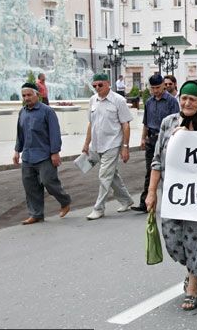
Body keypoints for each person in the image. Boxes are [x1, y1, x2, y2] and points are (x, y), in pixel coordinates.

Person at [145, 80, 197, 311]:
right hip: (172, 195)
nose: (187, 102)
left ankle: (193, 285)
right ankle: (190, 268)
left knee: (196, 238)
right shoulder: (168, 123)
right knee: (173, 240)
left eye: (193, 99)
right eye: (184, 98)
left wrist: (189, 137)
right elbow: (157, 160)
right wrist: (151, 193)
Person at [13, 83, 71, 224]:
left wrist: (55, 153)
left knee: (49, 182)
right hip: (27, 156)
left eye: (29, 95)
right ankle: (36, 214)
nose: (26, 98)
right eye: (24, 95)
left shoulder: (47, 112)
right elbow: (20, 134)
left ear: (37, 95)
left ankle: (65, 201)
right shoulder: (22, 112)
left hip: (45, 155)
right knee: (30, 186)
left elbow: (55, 134)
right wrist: (16, 151)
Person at [82, 73, 134, 220]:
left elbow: (125, 124)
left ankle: (99, 208)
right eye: (94, 86)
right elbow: (91, 124)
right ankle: (126, 200)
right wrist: (86, 144)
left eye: (100, 85)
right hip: (97, 145)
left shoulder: (119, 100)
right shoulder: (93, 100)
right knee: (112, 176)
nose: (97, 88)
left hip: (113, 144)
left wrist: (125, 146)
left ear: (108, 84)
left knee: (104, 175)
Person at [131, 74, 179, 213]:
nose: (155, 91)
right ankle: (145, 202)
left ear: (164, 85)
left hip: (166, 140)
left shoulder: (171, 102)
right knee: (150, 171)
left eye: (158, 87)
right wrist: (142, 138)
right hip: (151, 139)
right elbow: (146, 122)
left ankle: (171, 201)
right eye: (152, 88)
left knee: (168, 172)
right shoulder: (149, 102)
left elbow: (175, 122)